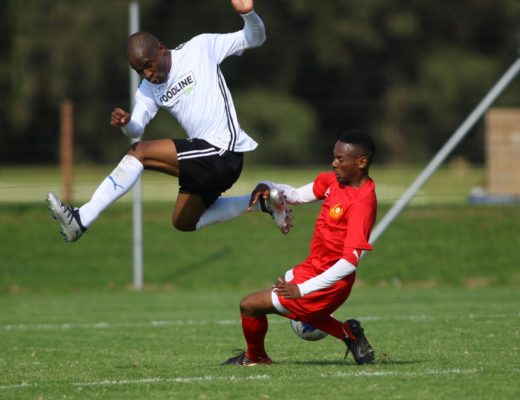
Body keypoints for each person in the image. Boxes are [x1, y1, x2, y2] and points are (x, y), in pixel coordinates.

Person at [46, 0, 291, 242]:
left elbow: (255, 38)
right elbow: (136, 129)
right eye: (139, 71)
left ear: (161, 49)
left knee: (140, 152)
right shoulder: (147, 89)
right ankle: (263, 201)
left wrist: (248, 14)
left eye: (148, 65)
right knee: (183, 221)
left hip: (224, 151)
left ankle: (81, 219)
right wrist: (126, 124)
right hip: (206, 158)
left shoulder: (200, 48)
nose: (147, 74)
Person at [222, 131, 377, 366]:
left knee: (249, 306)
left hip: (329, 284)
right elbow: (295, 195)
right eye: (334, 157)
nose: (333, 163)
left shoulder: (362, 202)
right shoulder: (334, 181)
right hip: (312, 268)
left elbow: (349, 263)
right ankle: (349, 335)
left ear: (361, 162)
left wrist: (302, 290)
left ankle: (256, 357)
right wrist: (270, 187)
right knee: (294, 299)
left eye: (340, 159)